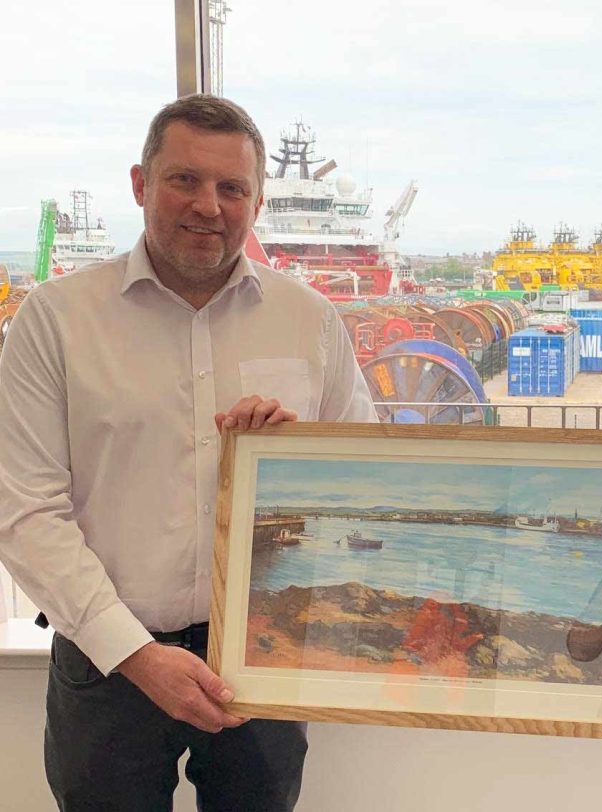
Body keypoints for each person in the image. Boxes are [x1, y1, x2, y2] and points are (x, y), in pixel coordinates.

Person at [0, 94, 377, 810]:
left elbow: (361, 479)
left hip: (261, 655)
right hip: (107, 653)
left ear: (256, 201)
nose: (209, 205)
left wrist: (298, 454)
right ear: (141, 184)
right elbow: (24, 512)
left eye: (231, 188)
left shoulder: (312, 322)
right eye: (185, 180)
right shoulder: (54, 321)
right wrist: (137, 655)